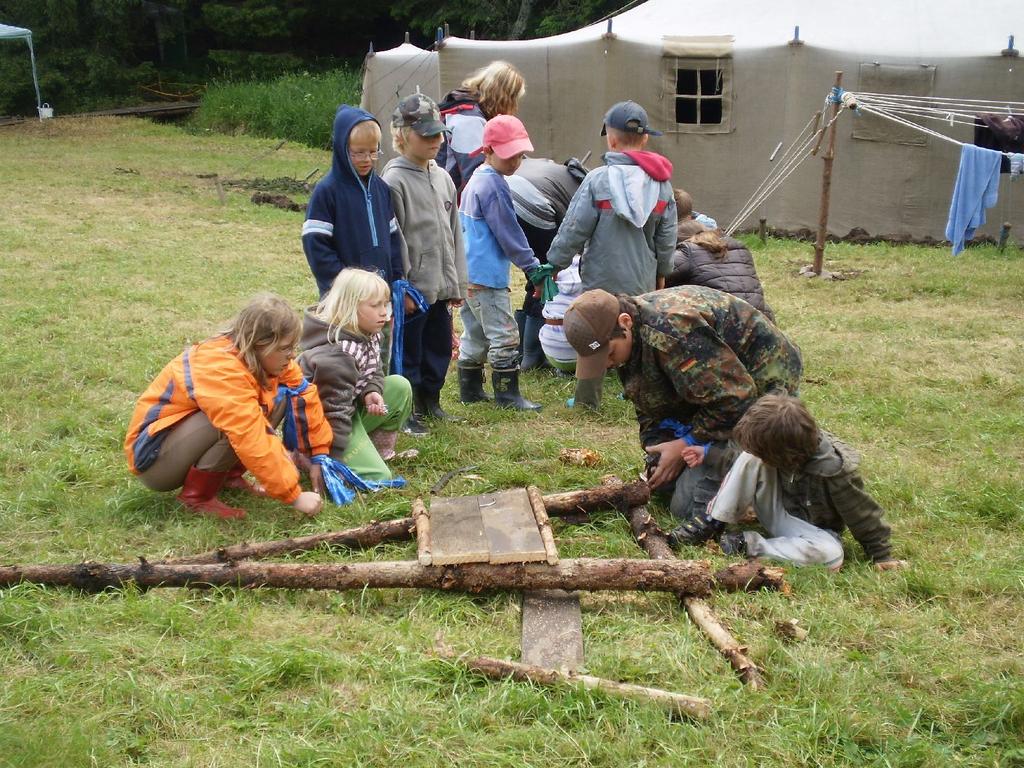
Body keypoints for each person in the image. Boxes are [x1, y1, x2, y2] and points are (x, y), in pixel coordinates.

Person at [561, 285, 803, 541]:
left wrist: (687, 442)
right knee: (664, 486)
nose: (608, 364)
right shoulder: (630, 335)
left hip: (761, 383)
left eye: (609, 354)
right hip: (715, 390)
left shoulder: (673, 333)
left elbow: (736, 397)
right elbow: (645, 399)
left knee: (686, 507)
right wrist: (658, 447)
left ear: (625, 322)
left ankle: (761, 479)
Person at [125, 294, 330, 519]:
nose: (292, 355)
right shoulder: (219, 368)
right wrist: (294, 495)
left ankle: (229, 478)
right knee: (234, 418)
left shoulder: (266, 361)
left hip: (178, 444)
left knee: (280, 397)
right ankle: (196, 497)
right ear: (259, 344)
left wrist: (317, 455)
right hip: (154, 462)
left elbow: (304, 394)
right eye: (284, 348)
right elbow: (249, 433)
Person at [546, 100, 678, 409]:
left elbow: (574, 228)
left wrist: (555, 263)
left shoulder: (598, 180)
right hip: (642, 275)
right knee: (637, 333)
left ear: (611, 139)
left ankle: (586, 399)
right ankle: (637, 391)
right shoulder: (662, 184)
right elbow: (667, 235)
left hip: (600, 277)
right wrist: (662, 271)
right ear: (645, 138)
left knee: (594, 328)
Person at [698, 394, 906, 571]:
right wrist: (708, 455)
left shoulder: (834, 471)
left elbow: (862, 514)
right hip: (775, 510)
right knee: (749, 457)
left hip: (812, 532)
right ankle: (712, 523)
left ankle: (745, 544)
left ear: (784, 454)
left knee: (832, 555)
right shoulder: (771, 449)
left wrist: (882, 556)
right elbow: (740, 462)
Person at [382, 93, 468, 433]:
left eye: (439, 133)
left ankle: (431, 399)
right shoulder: (393, 181)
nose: (437, 141)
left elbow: (455, 232)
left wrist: (456, 282)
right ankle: (407, 409)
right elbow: (396, 238)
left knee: (438, 346)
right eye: (427, 135)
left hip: (441, 285)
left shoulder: (443, 177)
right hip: (414, 290)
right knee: (410, 350)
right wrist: (402, 285)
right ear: (402, 135)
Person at [456, 114, 546, 411]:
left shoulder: (475, 181)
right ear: (488, 151)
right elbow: (509, 234)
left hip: (468, 274)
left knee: (476, 333)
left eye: (519, 155)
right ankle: (508, 395)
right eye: (509, 155)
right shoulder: (494, 186)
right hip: (488, 278)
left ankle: (469, 390)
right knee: (505, 335)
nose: (515, 162)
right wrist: (532, 267)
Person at [298, 269, 414, 481]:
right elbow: (334, 412)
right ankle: (307, 457)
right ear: (350, 306)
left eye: (385, 304)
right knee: (379, 477)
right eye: (374, 305)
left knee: (399, 385)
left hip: (348, 410)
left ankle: (374, 450)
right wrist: (333, 464)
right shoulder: (338, 354)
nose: (384, 312)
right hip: (323, 426)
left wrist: (371, 391)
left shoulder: (368, 332)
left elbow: (375, 369)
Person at [301, 105, 404, 300]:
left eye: (373, 152)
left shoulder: (382, 189)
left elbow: (393, 240)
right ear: (342, 148)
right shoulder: (327, 191)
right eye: (358, 153)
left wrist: (396, 278)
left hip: (380, 296)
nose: (367, 159)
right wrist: (345, 284)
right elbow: (316, 246)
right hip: (344, 299)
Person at [507, 157, 586, 370]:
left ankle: (522, 351)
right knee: (546, 279)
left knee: (535, 278)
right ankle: (533, 356)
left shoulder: (552, 168)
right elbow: (572, 233)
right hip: (533, 204)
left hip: (506, 195)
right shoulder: (583, 188)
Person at [436, 60, 526, 196]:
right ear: (505, 97)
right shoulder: (468, 118)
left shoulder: (471, 111)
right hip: (452, 202)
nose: (515, 106)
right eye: (514, 100)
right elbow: (474, 174)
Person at [666, 218, 776, 322]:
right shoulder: (738, 247)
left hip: (726, 325)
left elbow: (661, 276)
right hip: (760, 321)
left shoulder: (687, 251)